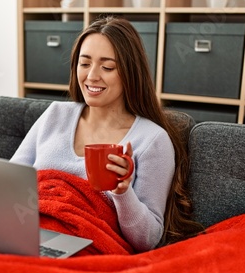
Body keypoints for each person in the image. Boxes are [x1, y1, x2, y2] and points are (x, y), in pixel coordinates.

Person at [11, 15, 204, 252]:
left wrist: (123, 193)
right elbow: (9, 182)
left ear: (130, 73)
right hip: (28, 232)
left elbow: (148, 239)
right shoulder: (55, 114)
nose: (92, 76)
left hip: (87, 248)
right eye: (85, 63)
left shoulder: (152, 140)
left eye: (107, 67)